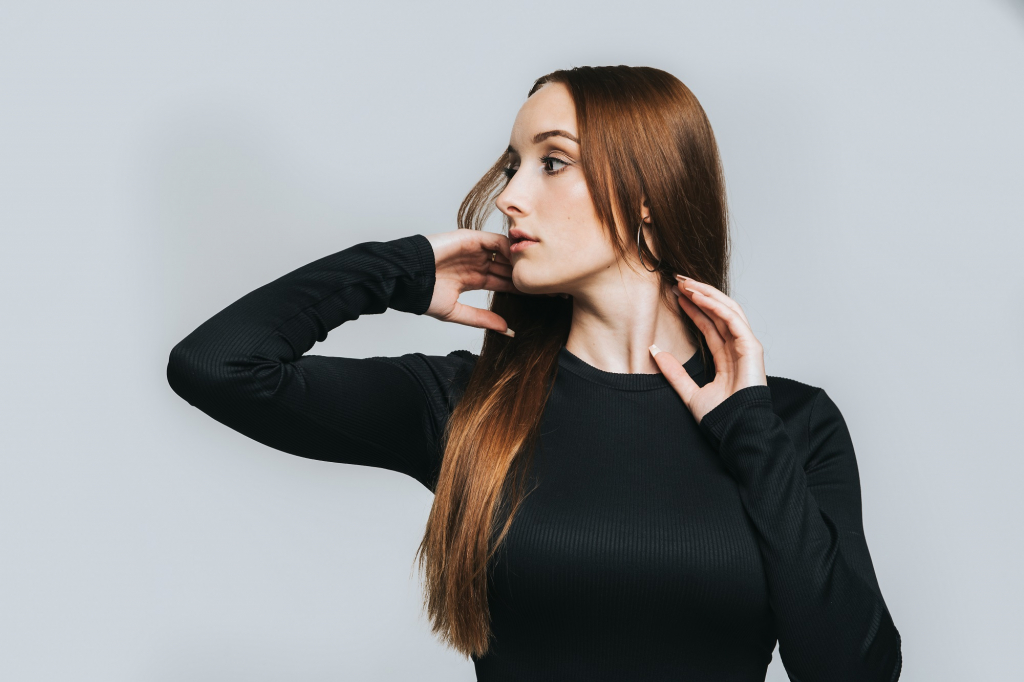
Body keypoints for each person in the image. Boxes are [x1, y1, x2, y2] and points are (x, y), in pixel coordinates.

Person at [166, 65, 902, 681]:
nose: (509, 197)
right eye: (513, 166)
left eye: (552, 162)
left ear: (648, 191)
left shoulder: (791, 425)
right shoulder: (467, 405)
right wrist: (398, 271)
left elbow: (853, 671)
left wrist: (751, 432)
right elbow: (217, 366)